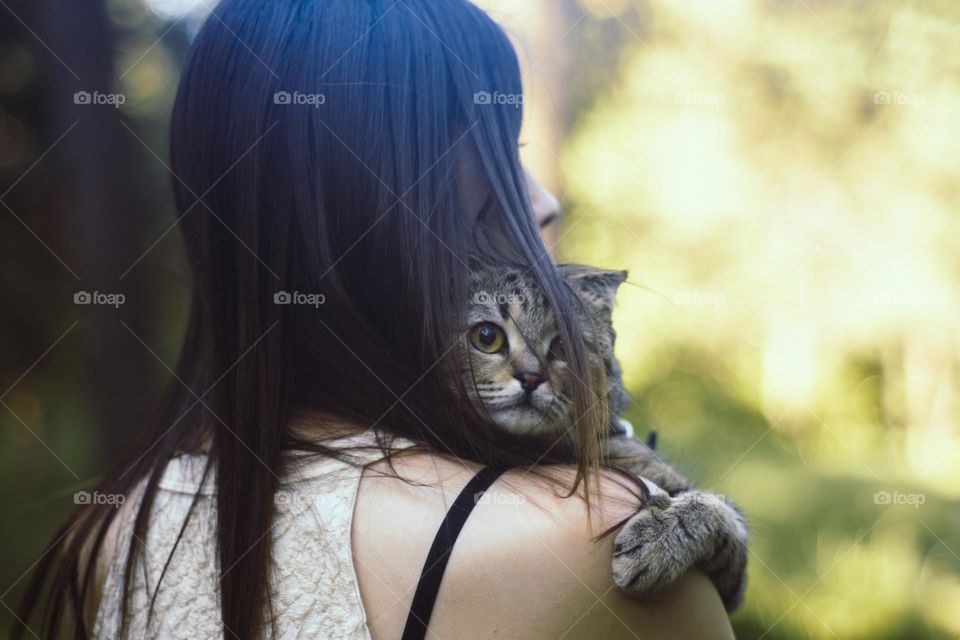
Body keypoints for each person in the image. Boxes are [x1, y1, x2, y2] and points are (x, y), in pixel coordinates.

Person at [14, 1, 734, 638]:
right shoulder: (582, 541)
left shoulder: (112, 538)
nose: (543, 201)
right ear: (374, 211)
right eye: (500, 152)